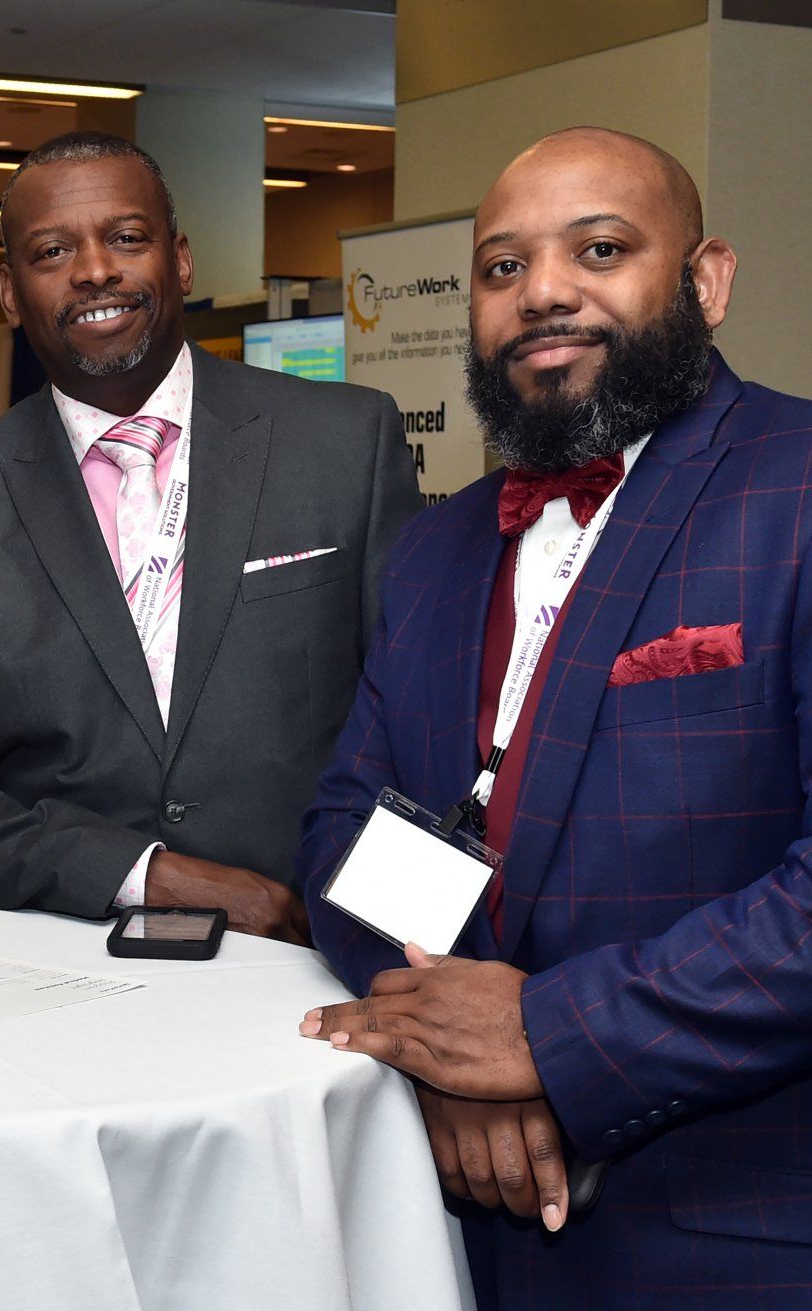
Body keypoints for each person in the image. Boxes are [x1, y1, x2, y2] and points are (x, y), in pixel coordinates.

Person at [297, 128, 812, 1309]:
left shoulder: (798, 484)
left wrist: (551, 1039)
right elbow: (345, 828)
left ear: (707, 279)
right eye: (500, 267)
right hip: (448, 1228)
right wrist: (452, 1029)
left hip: (736, 1224)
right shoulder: (433, 548)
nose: (543, 293)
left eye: (601, 248)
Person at [0, 132, 422, 937]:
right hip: (74, 970)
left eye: (127, 237)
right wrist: (146, 876)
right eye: (53, 250)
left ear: (181, 260)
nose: (94, 270)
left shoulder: (344, 443)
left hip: (319, 955)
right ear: (11, 293)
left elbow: (420, 729)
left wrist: (388, 944)